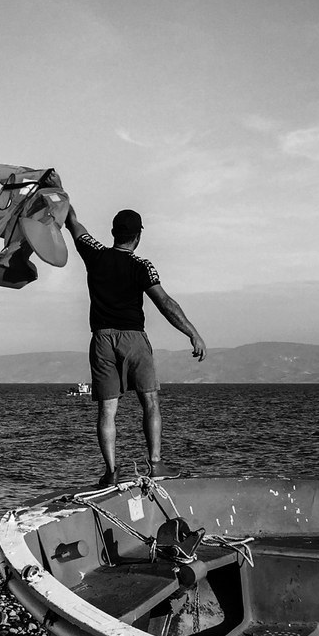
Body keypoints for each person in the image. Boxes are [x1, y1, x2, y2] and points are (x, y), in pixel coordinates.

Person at [64, 204, 206, 486]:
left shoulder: (95, 254)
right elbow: (166, 303)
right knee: (150, 402)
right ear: (137, 237)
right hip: (133, 338)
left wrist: (58, 191)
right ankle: (155, 465)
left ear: (114, 233)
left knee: (107, 410)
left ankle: (111, 471)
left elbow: (73, 223)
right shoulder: (142, 266)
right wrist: (192, 333)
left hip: (102, 338)